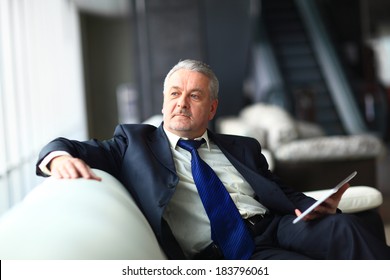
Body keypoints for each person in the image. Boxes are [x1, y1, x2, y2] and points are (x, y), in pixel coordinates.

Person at [36, 59, 390, 260]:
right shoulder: (133, 143)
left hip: (277, 224)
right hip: (227, 249)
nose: (182, 103)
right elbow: (68, 145)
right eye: (174, 94)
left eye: (194, 95)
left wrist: (316, 205)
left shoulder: (243, 147)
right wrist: (56, 157)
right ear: (163, 103)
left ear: (212, 108)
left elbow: (278, 190)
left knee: (346, 227)